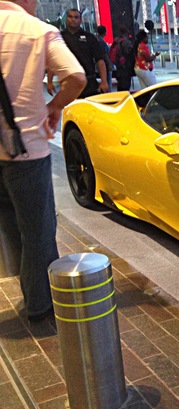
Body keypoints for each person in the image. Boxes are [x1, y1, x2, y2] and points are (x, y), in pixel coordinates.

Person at [0, 0, 86, 321]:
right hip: (27, 150)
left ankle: (22, 280)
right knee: (37, 229)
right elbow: (76, 77)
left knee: (10, 222)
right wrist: (54, 107)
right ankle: (39, 305)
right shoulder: (38, 30)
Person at [47, 8, 108, 98]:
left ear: (80, 20)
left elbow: (100, 61)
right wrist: (49, 81)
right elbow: (53, 60)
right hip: (68, 84)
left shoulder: (90, 38)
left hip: (89, 83)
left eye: (76, 17)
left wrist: (104, 81)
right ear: (66, 19)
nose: (73, 19)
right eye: (70, 17)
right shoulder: (59, 38)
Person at [111, 26, 134, 91]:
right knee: (126, 86)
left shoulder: (116, 41)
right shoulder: (126, 42)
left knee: (120, 85)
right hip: (125, 66)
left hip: (118, 66)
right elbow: (128, 54)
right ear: (126, 32)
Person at [96, 25, 112, 91]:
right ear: (105, 33)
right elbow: (105, 55)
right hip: (105, 65)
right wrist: (109, 64)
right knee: (108, 81)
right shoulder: (102, 43)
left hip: (99, 64)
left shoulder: (97, 41)